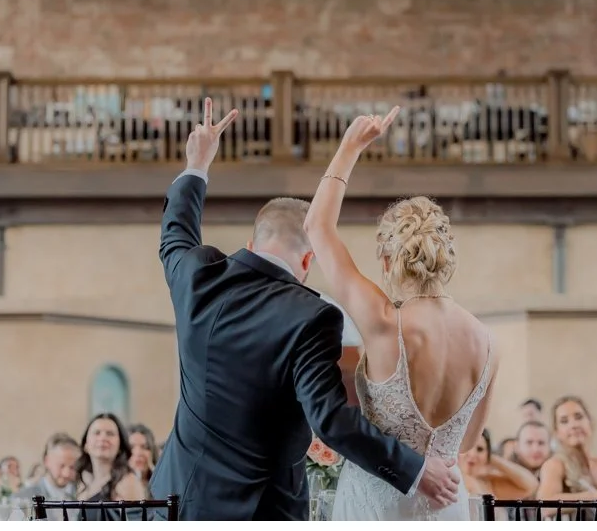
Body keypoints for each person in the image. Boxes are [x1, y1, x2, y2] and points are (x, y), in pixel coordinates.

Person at [148, 99, 458, 520]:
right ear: (308, 261)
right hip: (263, 512)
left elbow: (175, 235)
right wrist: (416, 470)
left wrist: (197, 164)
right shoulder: (312, 317)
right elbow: (330, 420)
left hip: (178, 502)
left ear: (253, 243)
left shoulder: (199, 277)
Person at [305, 106, 496, 521]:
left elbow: (317, 227)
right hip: (447, 503)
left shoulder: (382, 321)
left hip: (377, 503)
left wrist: (349, 147)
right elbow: (467, 442)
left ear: (388, 260)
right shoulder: (485, 339)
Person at [16, 433, 82, 520]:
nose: (66, 473)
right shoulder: (23, 497)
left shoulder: (83, 496)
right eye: (61, 466)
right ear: (46, 461)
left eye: (72, 467)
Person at [461, 429, 538, 500]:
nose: (472, 454)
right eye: (467, 447)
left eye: (480, 449)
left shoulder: (490, 483)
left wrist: (493, 459)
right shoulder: (450, 480)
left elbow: (531, 486)